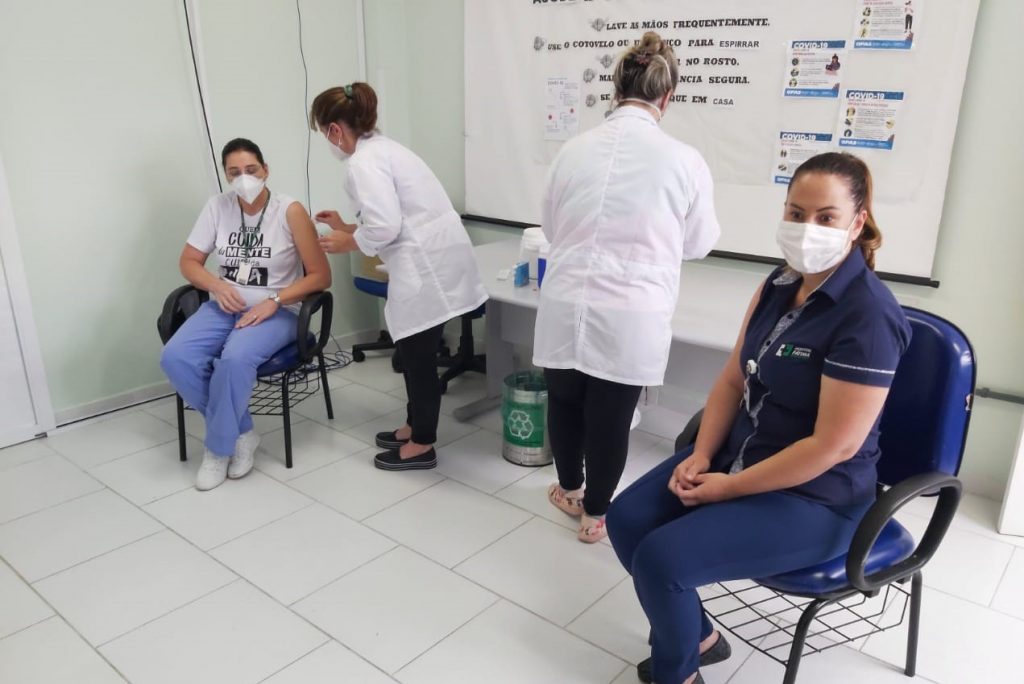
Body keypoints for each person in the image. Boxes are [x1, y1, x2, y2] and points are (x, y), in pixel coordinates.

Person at [606, 152, 911, 684]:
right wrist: (702, 454)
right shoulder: (781, 283)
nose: (806, 227)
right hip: (744, 455)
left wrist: (728, 487)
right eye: (796, 213)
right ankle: (701, 638)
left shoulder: (868, 316)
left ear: (857, 222)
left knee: (662, 561)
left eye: (826, 217)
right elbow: (732, 379)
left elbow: (833, 446)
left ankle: (679, 674)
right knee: (627, 519)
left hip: (818, 496)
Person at [534, 31, 721, 544]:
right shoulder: (684, 160)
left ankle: (569, 490)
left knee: (563, 403)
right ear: (667, 96)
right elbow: (699, 242)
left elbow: (550, 226)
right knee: (610, 419)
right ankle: (595, 515)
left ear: (615, 90)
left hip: (565, 299)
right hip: (631, 310)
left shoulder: (572, 150)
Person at [309, 83, 487, 471]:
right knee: (411, 352)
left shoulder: (362, 162)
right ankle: (413, 425)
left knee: (417, 358)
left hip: (426, 267)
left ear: (334, 129)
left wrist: (348, 241)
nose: (327, 141)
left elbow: (386, 227)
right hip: (433, 260)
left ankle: (422, 443)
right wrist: (346, 226)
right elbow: (392, 216)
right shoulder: (384, 149)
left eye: (323, 132)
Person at [161, 138, 331, 491]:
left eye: (251, 170)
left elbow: (320, 276)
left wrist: (275, 300)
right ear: (226, 175)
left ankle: (217, 449)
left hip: (278, 310)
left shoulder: (289, 211)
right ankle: (241, 433)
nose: (244, 178)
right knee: (175, 356)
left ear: (265, 170)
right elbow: (188, 262)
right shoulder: (217, 207)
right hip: (225, 305)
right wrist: (217, 286)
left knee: (235, 358)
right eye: (234, 172)